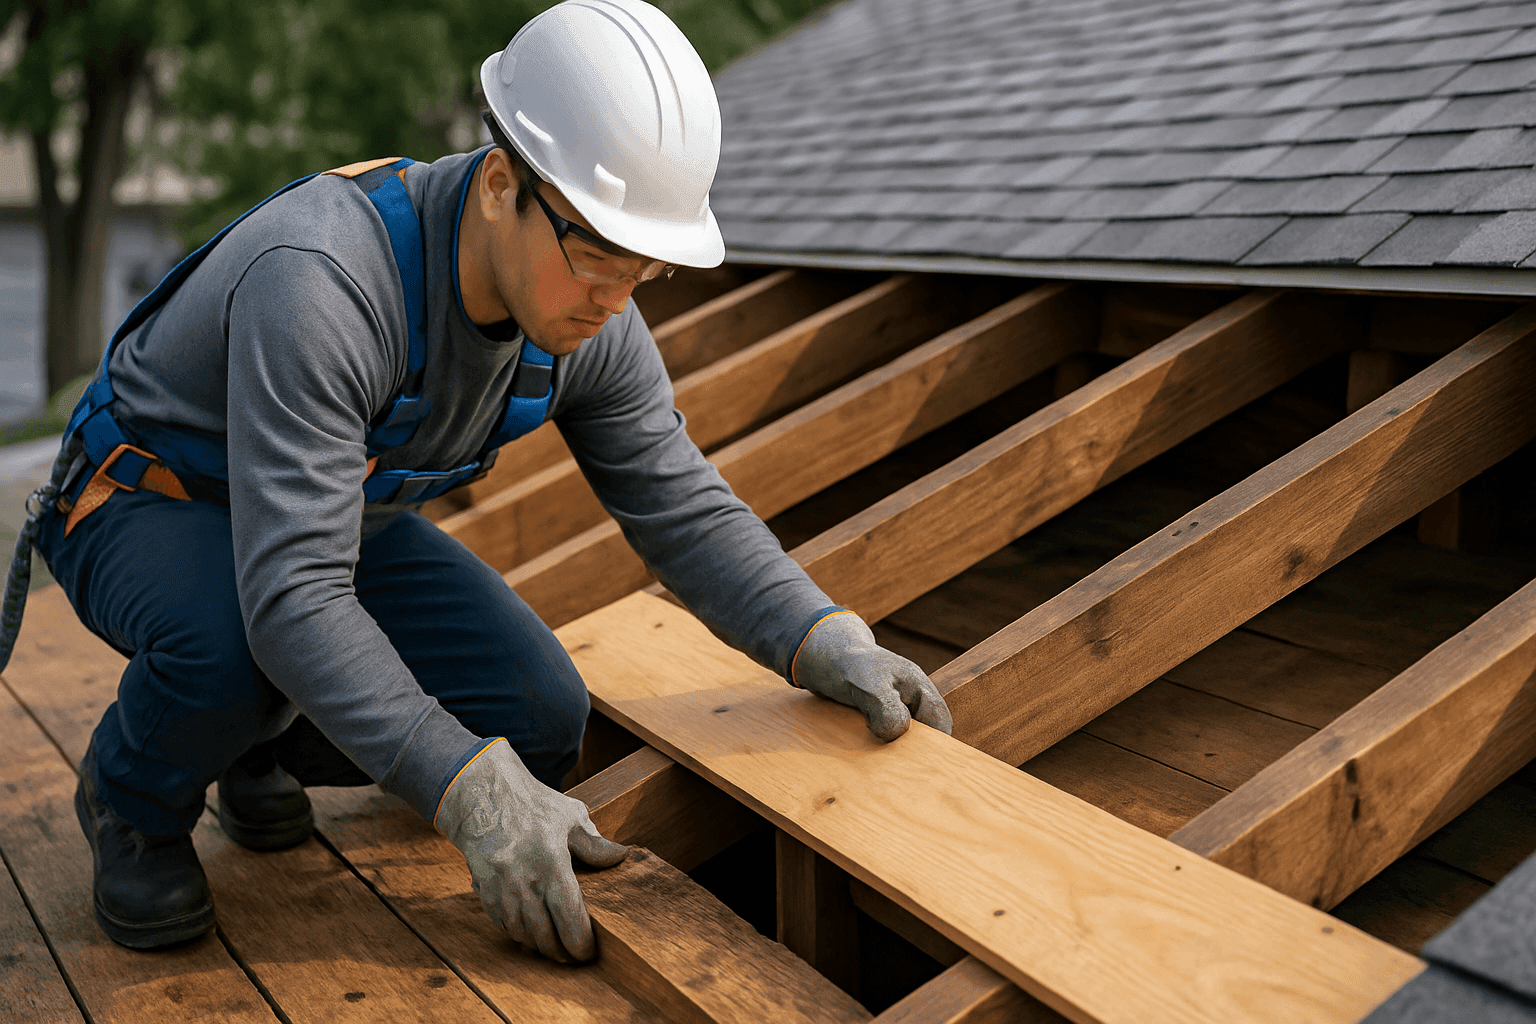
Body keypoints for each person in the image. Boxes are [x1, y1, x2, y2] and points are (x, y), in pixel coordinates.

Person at [0, 0, 951, 963]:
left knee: (536, 713)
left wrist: (820, 636)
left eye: (647, 267)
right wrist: (467, 792)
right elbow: (293, 597)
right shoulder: (324, 282)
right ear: (501, 184)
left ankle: (256, 741)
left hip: (328, 511)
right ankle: (129, 796)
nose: (616, 298)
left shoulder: (591, 312)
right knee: (241, 649)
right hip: (143, 499)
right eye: (598, 253)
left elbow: (680, 501)